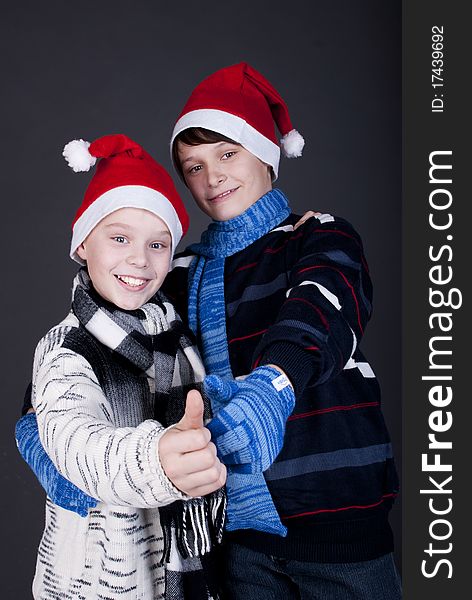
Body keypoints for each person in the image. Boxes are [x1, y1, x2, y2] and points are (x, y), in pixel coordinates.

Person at [17, 63, 401, 598]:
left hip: (337, 524)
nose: (212, 176)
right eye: (192, 165)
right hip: (229, 541)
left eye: (228, 153)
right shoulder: (174, 275)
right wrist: (53, 454)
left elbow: (321, 312)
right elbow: (77, 361)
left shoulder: (318, 237)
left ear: (266, 153)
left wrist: (272, 387)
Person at [17, 133, 227, 600]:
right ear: (82, 246)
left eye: (158, 244)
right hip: (97, 578)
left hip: (178, 569)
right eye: (119, 238)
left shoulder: (173, 336)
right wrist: (158, 460)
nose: (139, 258)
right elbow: (77, 443)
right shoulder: (68, 347)